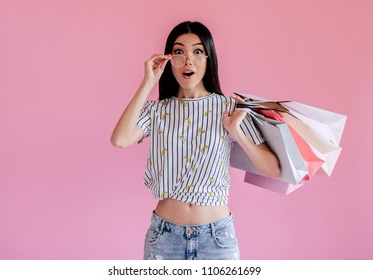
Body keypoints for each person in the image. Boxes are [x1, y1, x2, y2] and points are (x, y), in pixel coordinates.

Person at [110, 21, 280, 260]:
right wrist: (148, 82)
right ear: (169, 60)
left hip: (217, 239)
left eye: (198, 51)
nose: (188, 60)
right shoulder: (157, 111)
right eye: (179, 52)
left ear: (209, 58)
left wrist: (237, 132)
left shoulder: (229, 108)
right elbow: (120, 139)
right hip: (164, 239)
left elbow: (272, 169)